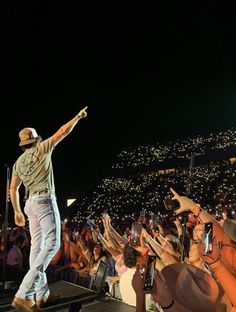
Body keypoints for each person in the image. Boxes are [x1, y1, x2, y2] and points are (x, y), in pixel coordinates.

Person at [9, 106, 88, 312]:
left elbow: (13, 188)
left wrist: (17, 211)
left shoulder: (18, 162)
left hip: (29, 204)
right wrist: (77, 117)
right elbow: (62, 131)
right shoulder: (42, 148)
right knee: (53, 244)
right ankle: (23, 293)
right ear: (35, 140)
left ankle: (41, 295)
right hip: (44, 199)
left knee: (37, 247)